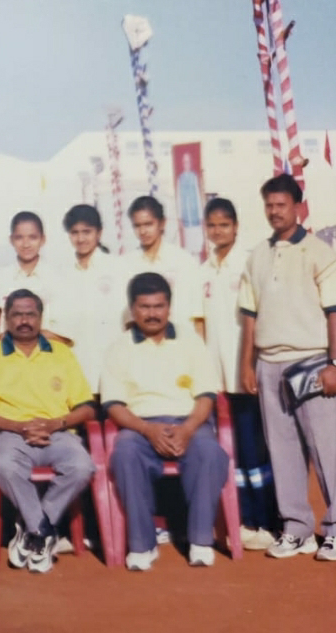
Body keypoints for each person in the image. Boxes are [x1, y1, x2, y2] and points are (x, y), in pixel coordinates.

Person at [239, 174, 336, 562]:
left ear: (298, 206)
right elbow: (249, 314)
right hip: (269, 363)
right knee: (282, 450)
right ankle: (297, 529)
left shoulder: (319, 252)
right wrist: (247, 364)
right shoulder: (257, 255)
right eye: (269, 205)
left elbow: (334, 312)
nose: (274, 211)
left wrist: (334, 363)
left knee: (326, 448)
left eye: (281, 204)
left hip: (311, 361)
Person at [103, 272, 227, 570]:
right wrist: (147, 429)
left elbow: (206, 395)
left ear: (169, 307)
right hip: (140, 426)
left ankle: (200, 541)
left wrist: (188, 428)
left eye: (159, 306)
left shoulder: (190, 341)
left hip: (189, 422)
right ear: (133, 309)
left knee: (210, 453)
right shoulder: (119, 347)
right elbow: (114, 404)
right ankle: (142, 546)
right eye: (144, 307)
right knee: (125, 454)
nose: (152, 314)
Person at [0, 289, 97, 573]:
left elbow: (87, 408)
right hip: (12, 434)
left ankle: (33, 528)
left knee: (82, 467)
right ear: (6, 319)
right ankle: (43, 530)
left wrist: (55, 424)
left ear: (40, 318)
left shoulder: (62, 353)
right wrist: (19, 426)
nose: (24, 321)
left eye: (30, 314)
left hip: (58, 432)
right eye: (17, 315)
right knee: (4, 467)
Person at [200, 198, 278, 551]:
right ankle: (245, 518)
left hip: (245, 374)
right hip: (219, 379)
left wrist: (251, 365)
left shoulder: (249, 261)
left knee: (255, 449)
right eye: (212, 226)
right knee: (233, 452)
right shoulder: (204, 270)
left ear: (235, 227)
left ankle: (268, 519)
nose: (218, 231)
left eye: (224, 225)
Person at [60, 205, 127, 392]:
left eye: (87, 232)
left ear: (99, 232)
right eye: (75, 233)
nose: (81, 239)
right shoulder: (63, 275)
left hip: (114, 369)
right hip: (77, 371)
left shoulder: (118, 268)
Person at [123, 196, 205, 337]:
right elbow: (128, 320)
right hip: (143, 344)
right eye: (137, 226)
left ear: (162, 223)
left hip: (180, 341)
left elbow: (198, 316)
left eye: (148, 224)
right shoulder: (126, 264)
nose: (143, 231)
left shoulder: (184, 261)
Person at [0, 212, 69, 341]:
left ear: (43, 239)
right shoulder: (0, 278)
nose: (26, 244)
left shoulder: (57, 279)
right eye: (19, 238)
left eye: (33, 237)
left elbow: (65, 334)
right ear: (11, 240)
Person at [176, 152, 204, 257]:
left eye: (188, 161)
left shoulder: (194, 177)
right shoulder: (180, 179)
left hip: (196, 218)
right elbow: (179, 198)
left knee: (197, 246)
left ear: (191, 163)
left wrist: (201, 216)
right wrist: (180, 217)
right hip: (186, 220)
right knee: (188, 248)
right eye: (184, 162)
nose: (186, 164)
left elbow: (198, 196)